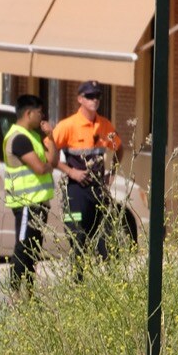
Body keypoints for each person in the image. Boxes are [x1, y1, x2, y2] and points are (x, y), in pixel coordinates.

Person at [51, 80, 123, 276]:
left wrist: (112, 173)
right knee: (77, 238)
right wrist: (70, 171)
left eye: (98, 96)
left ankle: (109, 283)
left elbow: (119, 147)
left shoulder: (104, 124)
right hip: (75, 191)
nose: (95, 100)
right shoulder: (67, 125)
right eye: (90, 96)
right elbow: (47, 152)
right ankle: (78, 283)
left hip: (98, 190)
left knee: (106, 239)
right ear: (80, 99)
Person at [2, 94, 56, 293]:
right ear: (28, 113)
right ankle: (14, 292)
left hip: (39, 202)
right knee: (23, 247)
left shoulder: (34, 136)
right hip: (26, 203)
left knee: (34, 251)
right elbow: (41, 168)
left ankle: (30, 293)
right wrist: (47, 166)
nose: (42, 116)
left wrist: (51, 138)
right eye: (40, 112)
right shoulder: (19, 138)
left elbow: (52, 160)